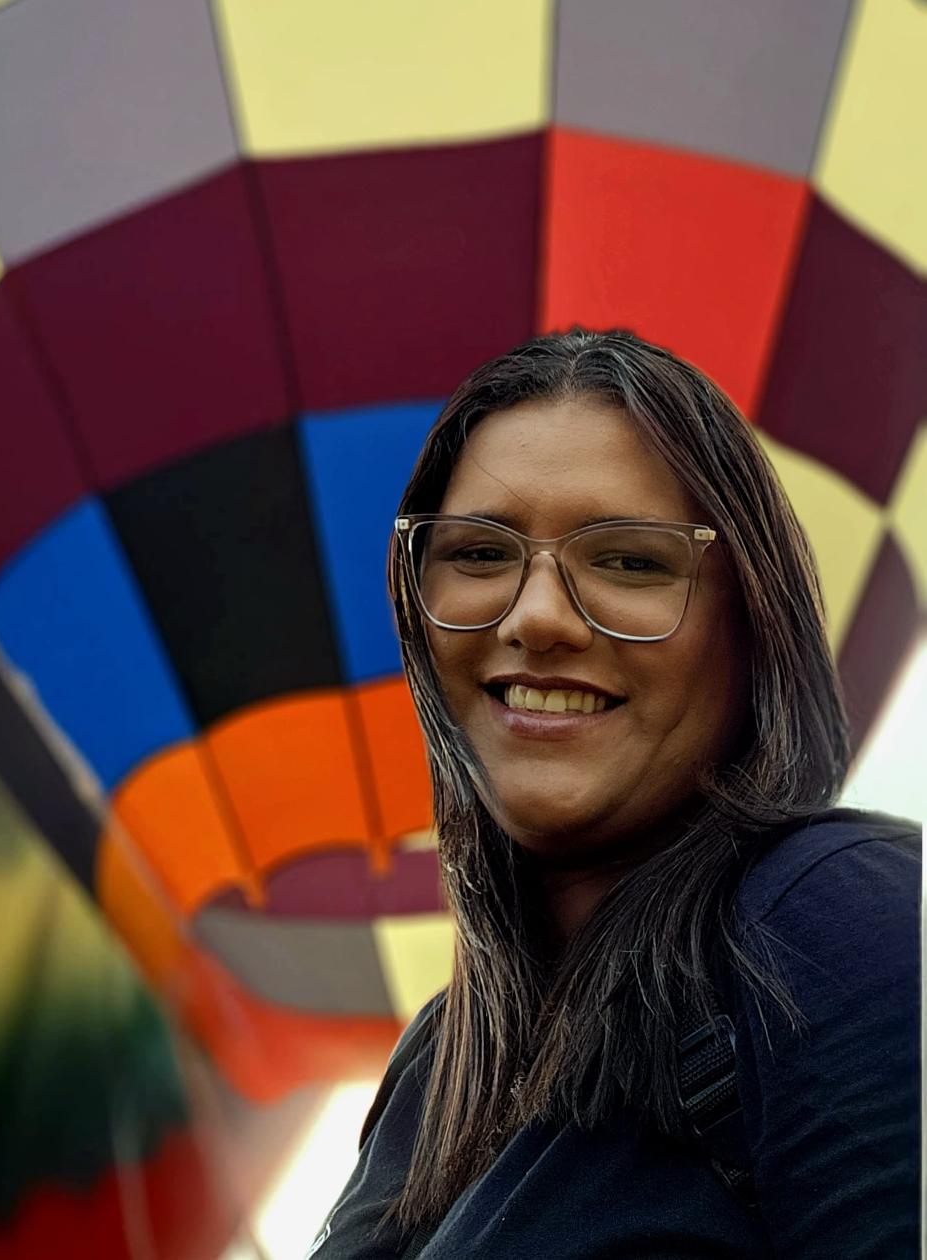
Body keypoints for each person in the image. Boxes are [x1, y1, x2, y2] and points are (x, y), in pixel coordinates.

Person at [309, 329, 920, 1259]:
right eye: (478, 554)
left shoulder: (836, 917)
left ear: (750, 623)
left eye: (631, 561)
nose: (537, 618)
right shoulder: (437, 1065)